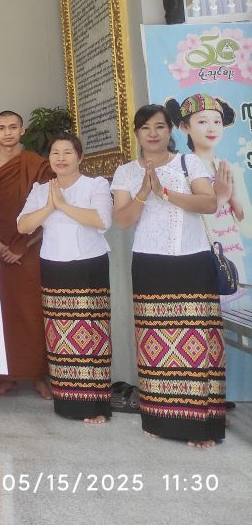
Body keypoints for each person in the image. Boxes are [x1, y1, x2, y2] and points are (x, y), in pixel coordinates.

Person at [111, 104, 226, 448]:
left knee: (198, 342)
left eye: (160, 127)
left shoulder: (188, 163)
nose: (153, 133)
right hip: (150, 262)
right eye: (145, 127)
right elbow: (122, 220)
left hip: (192, 261)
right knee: (155, 345)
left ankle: (201, 427)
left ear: (170, 130)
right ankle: (161, 420)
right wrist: (146, 191)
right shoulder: (125, 172)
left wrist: (165, 191)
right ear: (136, 133)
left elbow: (209, 204)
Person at [17, 133, 112, 423]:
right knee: (62, 338)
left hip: (89, 265)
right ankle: (68, 403)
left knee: (94, 335)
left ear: (80, 157)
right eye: (55, 152)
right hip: (54, 265)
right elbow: (23, 226)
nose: (61, 158)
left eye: (68, 152)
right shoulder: (41, 190)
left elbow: (101, 220)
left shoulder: (96, 185)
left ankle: (96, 406)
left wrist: (63, 205)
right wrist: (49, 205)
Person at [0, 110, 54, 398]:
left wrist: (25, 245)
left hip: (31, 247)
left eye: (12, 127)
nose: (7, 132)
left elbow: (50, 207)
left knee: (34, 310)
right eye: (1, 128)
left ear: (22, 130)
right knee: (1, 311)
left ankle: (39, 374)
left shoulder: (38, 165)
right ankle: (7, 375)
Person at [167, 93, 251, 285]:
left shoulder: (229, 169)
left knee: (236, 308)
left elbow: (247, 225)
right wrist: (219, 198)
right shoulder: (179, 168)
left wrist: (233, 198)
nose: (212, 127)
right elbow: (181, 216)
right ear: (184, 127)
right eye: (203, 121)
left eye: (217, 121)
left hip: (232, 255)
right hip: (197, 254)